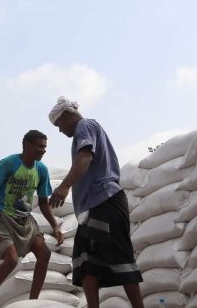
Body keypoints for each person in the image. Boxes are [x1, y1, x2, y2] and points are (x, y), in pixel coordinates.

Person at [48, 96, 143, 308]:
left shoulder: (85, 125)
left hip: (106, 201)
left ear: (66, 115)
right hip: (92, 209)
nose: (60, 131)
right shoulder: (83, 130)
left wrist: (64, 186)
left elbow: (85, 158)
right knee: (85, 263)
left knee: (121, 259)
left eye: (58, 125)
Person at [0, 130, 62, 308]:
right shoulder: (10, 163)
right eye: (40, 146)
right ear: (27, 145)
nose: (43, 150)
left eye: (45, 147)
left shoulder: (41, 169)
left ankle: (32, 302)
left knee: (44, 254)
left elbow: (44, 203)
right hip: (2, 216)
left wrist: (55, 226)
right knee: (12, 260)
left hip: (25, 218)